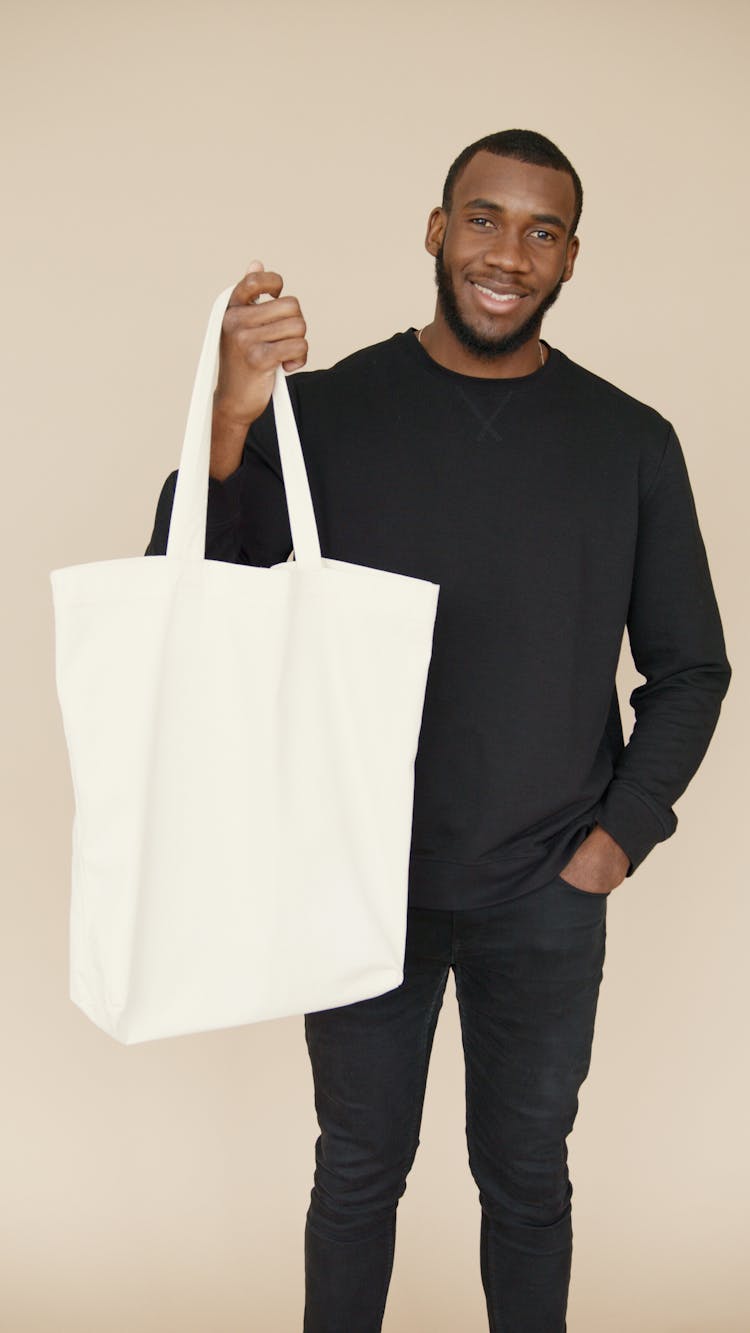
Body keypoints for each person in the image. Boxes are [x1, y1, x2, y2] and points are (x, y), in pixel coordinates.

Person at [145, 129, 732, 1332]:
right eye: (482, 219)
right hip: (360, 881)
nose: (507, 252)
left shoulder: (630, 441)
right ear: (434, 228)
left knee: (527, 1186)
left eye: (541, 230)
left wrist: (613, 843)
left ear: (571, 259)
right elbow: (187, 595)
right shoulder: (316, 417)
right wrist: (224, 421)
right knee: (357, 1178)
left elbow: (692, 668)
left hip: (545, 888)